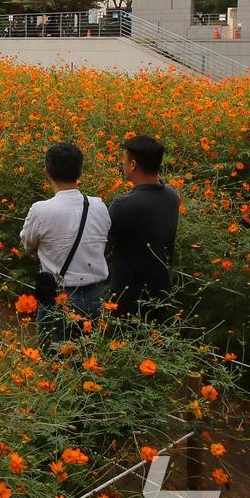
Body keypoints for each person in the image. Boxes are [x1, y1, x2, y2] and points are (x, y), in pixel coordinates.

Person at [20, 143, 111, 346]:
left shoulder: (40, 210)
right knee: (88, 357)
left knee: (54, 359)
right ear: (80, 172)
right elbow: (103, 243)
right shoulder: (99, 205)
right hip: (97, 295)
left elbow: (27, 244)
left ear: (47, 171)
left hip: (60, 296)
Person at [106, 135, 180, 317]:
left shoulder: (123, 204)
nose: (122, 163)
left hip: (127, 296)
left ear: (132, 165)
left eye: (124, 159)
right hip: (160, 290)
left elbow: (102, 245)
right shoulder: (171, 196)